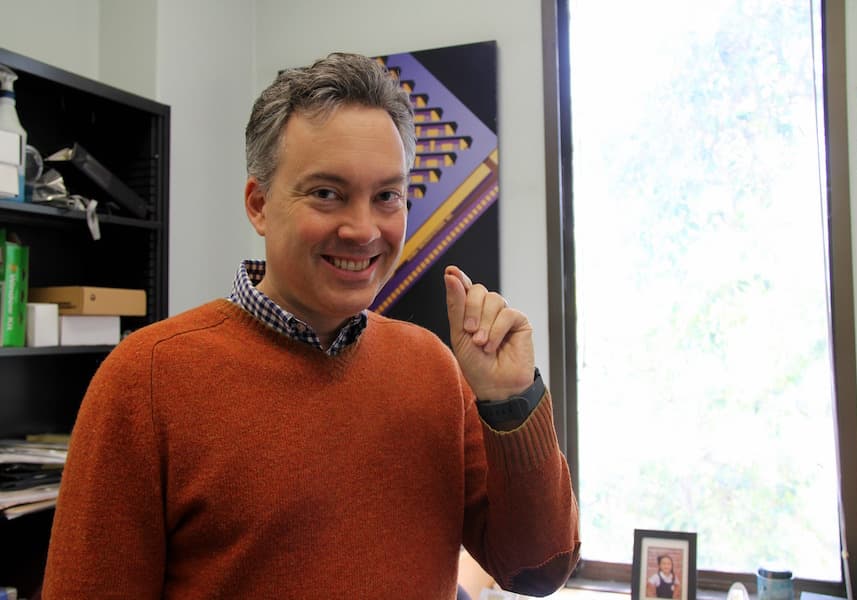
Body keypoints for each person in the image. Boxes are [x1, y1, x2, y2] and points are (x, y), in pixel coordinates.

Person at [41, 52, 580, 598]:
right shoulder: (145, 380)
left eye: (387, 196)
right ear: (259, 204)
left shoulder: (434, 369)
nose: (363, 229)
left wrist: (510, 401)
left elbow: (538, 569)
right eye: (327, 193)